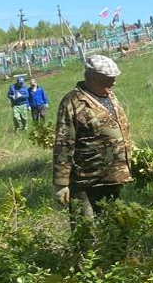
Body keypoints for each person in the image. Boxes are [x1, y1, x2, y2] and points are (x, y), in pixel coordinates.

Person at [52, 54, 132, 222]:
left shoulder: (110, 96)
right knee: (87, 229)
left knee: (114, 227)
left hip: (113, 178)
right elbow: (63, 143)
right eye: (109, 78)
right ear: (93, 77)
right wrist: (61, 183)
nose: (114, 82)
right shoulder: (72, 102)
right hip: (86, 181)